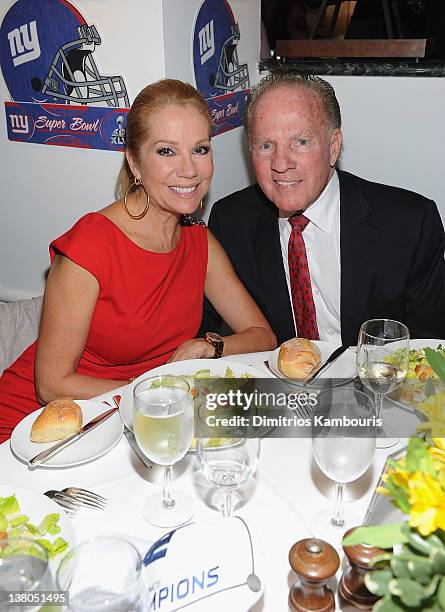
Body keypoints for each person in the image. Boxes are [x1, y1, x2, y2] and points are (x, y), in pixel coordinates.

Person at [0, 79, 276, 443]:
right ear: (134, 162)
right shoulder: (91, 245)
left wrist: (212, 345)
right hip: (43, 425)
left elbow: (263, 336)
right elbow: (51, 386)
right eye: (166, 151)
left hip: (136, 416)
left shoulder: (198, 241)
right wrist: (152, 395)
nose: (189, 170)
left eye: (200, 149)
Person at [201, 72, 445, 346]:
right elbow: (198, 326)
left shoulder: (409, 225)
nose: (280, 163)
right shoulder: (231, 221)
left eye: (301, 142)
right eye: (266, 145)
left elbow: (430, 350)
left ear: (333, 146)